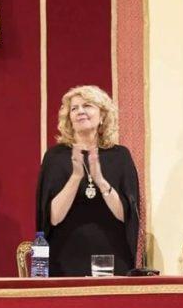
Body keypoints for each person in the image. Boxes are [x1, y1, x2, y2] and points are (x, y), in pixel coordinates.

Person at [35, 85, 140, 276]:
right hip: (65, 259)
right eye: (74, 108)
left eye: (87, 105)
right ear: (69, 120)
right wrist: (75, 178)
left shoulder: (120, 156)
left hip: (113, 257)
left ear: (102, 116)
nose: (80, 111)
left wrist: (100, 180)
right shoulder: (55, 157)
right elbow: (53, 218)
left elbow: (126, 216)